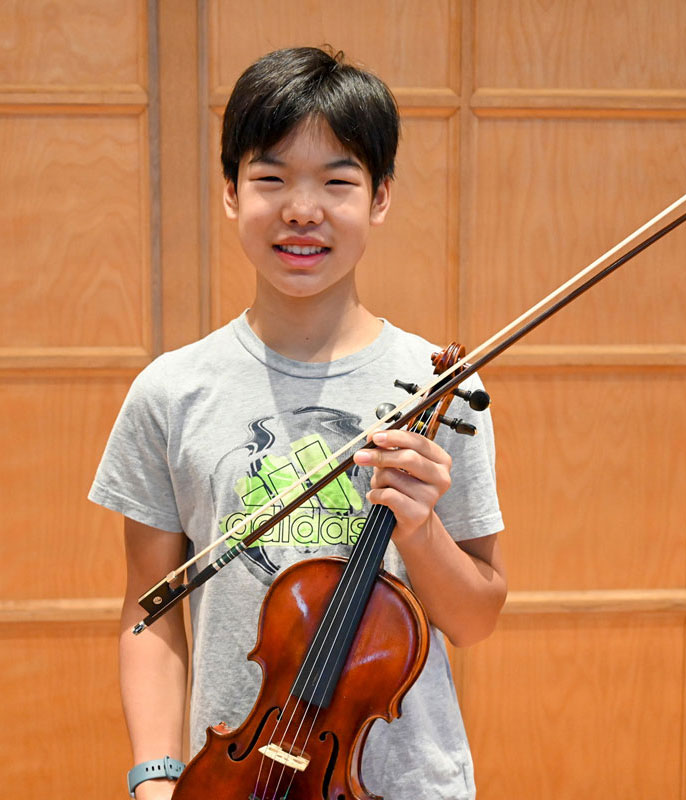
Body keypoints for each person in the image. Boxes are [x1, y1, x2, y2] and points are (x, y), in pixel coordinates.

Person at [90, 46, 506, 800]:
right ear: (230, 192)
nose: (302, 209)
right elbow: (148, 613)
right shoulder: (171, 391)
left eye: (337, 181)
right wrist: (154, 778)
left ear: (380, 197)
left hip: (409, 782)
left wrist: (420, 529)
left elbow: (476, 617)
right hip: (234, 778)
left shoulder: (440, 388)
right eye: (271, 178)